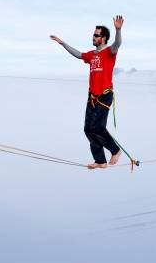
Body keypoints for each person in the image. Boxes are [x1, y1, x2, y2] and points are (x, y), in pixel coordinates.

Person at [50, 16, 124, 169]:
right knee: (88, 129)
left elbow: (118, 43)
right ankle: (100, 161)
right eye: (93, 34)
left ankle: (115, 151)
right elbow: (78, 54)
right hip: (92, 96)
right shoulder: (92, 55)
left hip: (104, 95)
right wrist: (62, 43)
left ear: (103, 38)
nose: (93, 37)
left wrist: (118, 29)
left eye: (96, 35)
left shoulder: (110, 52)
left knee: (97, 127)